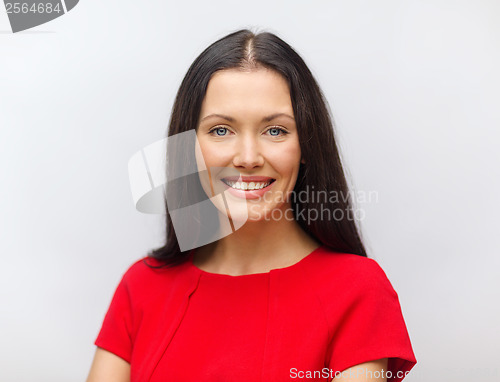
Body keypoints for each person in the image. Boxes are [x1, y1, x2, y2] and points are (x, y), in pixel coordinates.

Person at [86, 29, 417, 382]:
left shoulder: (358, 291)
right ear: (189, 148)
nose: (247, 158)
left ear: (306, 145)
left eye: (275, 131)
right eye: (220, 130)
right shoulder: (142, 286)